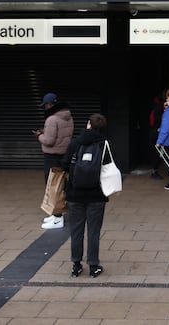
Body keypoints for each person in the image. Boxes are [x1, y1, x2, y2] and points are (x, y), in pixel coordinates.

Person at [61, 113, 109, 278]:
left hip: (75, 194)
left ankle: (76, 265)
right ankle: (94, 266)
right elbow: (109, 167)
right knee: (93, 231)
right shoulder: (104, 144)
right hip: (96, 195)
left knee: (76, 230)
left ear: (88, 124)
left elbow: (64, 164)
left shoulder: (75, 142)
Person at [35, 92, 74, 229]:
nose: (44, 108)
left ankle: (57, 218)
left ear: (50, 104)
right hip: (63, 155)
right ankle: (57, 213)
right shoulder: (68, 117)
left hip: (52, 157)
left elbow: (49, 141)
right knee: (60, 185)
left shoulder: (52, 119)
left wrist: (40, 135)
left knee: (52, 186)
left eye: (45, 105)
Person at [148, 90, 167, 180]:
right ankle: (155, 171)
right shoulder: (161, 107)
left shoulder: (156, 105)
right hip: (158, 132)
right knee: (157, 152)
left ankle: (155, 170)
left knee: (157, 152)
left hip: (155, 131)